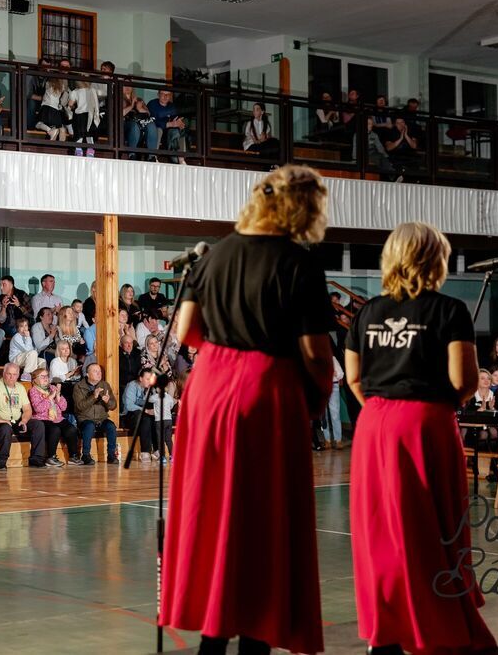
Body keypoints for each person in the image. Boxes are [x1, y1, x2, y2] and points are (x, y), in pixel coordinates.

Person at [160, 166, 336, 655]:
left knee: (213, 511)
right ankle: (257, 635)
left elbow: (187, 332)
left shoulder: (213, 255)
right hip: (265, 387)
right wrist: (316, 398)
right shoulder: (299, 262)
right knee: (262, 517)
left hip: (209, 387)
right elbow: (317, 354)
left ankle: (212, 636)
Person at [345, 222, 495, 655]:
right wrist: (426, 407)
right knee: (434, 528)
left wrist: (383, 408)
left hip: (375, 426)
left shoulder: (367, 312)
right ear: (435, 260)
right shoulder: (449, 310)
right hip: (425, 424)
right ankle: (437, 626)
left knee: (380, 532)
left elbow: (354, 377)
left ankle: (386, 629)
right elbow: (464, 381)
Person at [0, 363, 38, 470]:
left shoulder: (20, 387)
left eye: (14, 374)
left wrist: (24, 420)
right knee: (6, 428)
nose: (11, 377)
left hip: (16, 421)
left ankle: (37, 459)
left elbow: (27, 409)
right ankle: (2, 461)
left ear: (18, 375)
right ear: (3, 373)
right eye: (9, 374)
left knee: (38, 425)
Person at [28, 368, 79, 467]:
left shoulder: (52, 388)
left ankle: (73, 456)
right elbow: (38, 409)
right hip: (43, 418)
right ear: (34, 379)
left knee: (71, 429)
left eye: (46, 376)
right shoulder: (33, 391)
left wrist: (58, 395)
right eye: (42, 376)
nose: (45, 378)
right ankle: (51, 457)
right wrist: (50, 397)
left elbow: (63, 407)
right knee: (55, 429)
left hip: (57, 417)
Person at [72, 364, 118, 465]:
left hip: (101, 418)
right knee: (89, 426)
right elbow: (79, 407)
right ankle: (85, 455)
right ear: (87, 374)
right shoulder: (79, 386)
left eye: (100, 371)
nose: (99, 373)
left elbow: (113, 406)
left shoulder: (105, 385)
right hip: (85, 418)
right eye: (95, 371)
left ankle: (111, 455)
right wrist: (94, 396)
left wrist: (107, 401)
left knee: (111, 426)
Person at [122, 368, 158, 461]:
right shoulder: (132, 386)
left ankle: (157, 449)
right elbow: (129, 406)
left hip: (143, 416)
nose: (149, 381)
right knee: (144, 417)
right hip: (129, 416)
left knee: (156, 418)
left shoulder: (151, 388)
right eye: (147, 379)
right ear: (141, 378)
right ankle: (145, 452)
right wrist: (146, 411)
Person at [148, 89, 188, 164]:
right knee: (158, 129)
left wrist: (179, 123)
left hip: (168, 134)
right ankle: (153, 157)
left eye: (168, 94)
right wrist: (169, 124)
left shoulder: (171, 106)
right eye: (163, 94)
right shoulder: (152, 104)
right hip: (156, 133)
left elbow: (175, 120)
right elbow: (151, 122)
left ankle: (181, 159)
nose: (165, 96)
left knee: (178, 129)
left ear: (170, 96)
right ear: (158, 95)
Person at [122, 86, 158, 158]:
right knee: (134, 125)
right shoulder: (119, 99)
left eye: (129, 85)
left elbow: (148, 114)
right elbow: (121, 113)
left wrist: (140, 109)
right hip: (126, 126)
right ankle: (132, 155)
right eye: (125, 85)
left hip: (141, 125)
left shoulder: (139, 100)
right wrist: (132, 105)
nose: (127, 87)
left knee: (152, 125)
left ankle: (152, 156)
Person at [35, 77, 69, 141]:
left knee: (38, 124)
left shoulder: (48, 83)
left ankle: (50, 130)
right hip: (56, 111)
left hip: (47, 107)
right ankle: (60, 143)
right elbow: (63, 102)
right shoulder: (62, 86)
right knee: (59, 128)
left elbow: (43, 94)